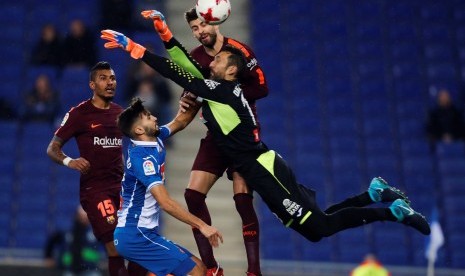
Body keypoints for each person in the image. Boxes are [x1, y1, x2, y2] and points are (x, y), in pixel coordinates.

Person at [100, 29, 432, 243]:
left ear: (231, 70)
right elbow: (186, 68)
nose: (210, 61)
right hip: (263, 168)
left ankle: (392, 211)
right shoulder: (221, 89)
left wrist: (136, 50)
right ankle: (372, 195)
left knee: (317, 228)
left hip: (264, 169)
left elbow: (177, 71)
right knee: (317, 223)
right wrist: (163, 37)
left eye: (217, 59)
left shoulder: (223, 91)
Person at [140, 9, 269, 275]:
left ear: (215, 22)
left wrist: (224, 93)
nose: (200, 33)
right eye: (195, 30)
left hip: (242, 136)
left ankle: (253, 271)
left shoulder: (240, 52)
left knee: (243, 202)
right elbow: (191, 85)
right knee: (192, 195)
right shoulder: (198, 58)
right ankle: (212, 268)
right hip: (214, 135)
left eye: (202, 26)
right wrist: (190, 97)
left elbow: (262, 88)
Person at [46, 61, 147, 276]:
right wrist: (70, 161)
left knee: (135, 247)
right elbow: (52, 148)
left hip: (120, 189)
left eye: (112, 78)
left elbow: (120, 151)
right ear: (92, 85)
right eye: (103, 78)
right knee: (115, 245)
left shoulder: (121, 114)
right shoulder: (79, 114)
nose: (110, 83)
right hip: (95, 191)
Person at [114, 97, 223, 276]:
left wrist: (198, 97)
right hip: (135, 235)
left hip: (143, 234)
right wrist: (202, 225)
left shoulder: (155, 139)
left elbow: (180, 121)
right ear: (139, 129)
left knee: (201, 269)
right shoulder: (142, 158)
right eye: (148, 117)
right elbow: (164, 202)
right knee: (195, 271)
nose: (155, 118)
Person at [44, 205, 103, 276]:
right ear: (77, 216)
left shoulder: (95, 232)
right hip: (70, 270)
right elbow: (52, 241)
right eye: (81, 216)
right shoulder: (67, 231)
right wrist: (48, 256)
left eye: (86, 216)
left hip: (90, 269)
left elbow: (108, 243)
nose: (83, 218)